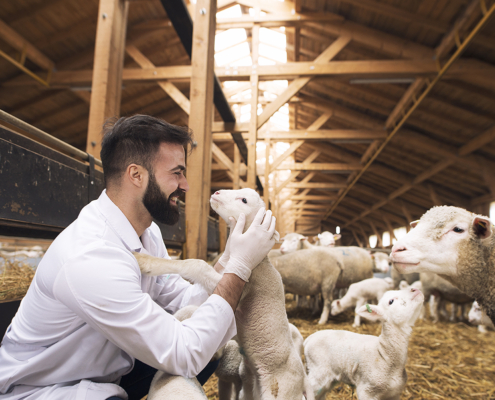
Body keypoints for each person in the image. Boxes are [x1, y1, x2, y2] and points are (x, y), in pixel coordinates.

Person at [0, 115, 277, 400]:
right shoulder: (92, 255)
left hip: (108, 368)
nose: (185, 185)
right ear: (136, 175)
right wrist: (240, 267)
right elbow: (186, 353)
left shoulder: (148, 233)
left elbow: (184, 303)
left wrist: (231, 254)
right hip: (45, 389)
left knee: (213, 347)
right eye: (176, 173)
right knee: (198, 349)